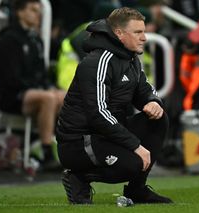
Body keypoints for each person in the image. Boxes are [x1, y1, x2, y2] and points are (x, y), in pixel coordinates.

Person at [56, 7, 173, 204]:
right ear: (119, 34)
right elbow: (98, 114)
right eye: (138, 32)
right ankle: (78, 177)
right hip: (79, 142)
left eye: (144, 31)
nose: (144, 37)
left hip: (106, 135)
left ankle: (137, 190)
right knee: (134, 164)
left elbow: (144, 89)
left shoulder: (130, 58)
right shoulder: (97, 61)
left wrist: (153, 102)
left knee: (159, 119)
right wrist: (136, 146)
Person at [0, 0, 66, 167]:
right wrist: (42, 89)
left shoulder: (35, 40)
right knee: (48, 98)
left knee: (64, 96)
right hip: (11, 96)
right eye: (33, 10)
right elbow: (11, 78)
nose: (37, 14)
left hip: (33, 92)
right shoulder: (8, 39)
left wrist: (49, 86)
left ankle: (66, 146)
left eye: (38, 10)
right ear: (20, 12)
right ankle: (46, 152)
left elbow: (42, 74)